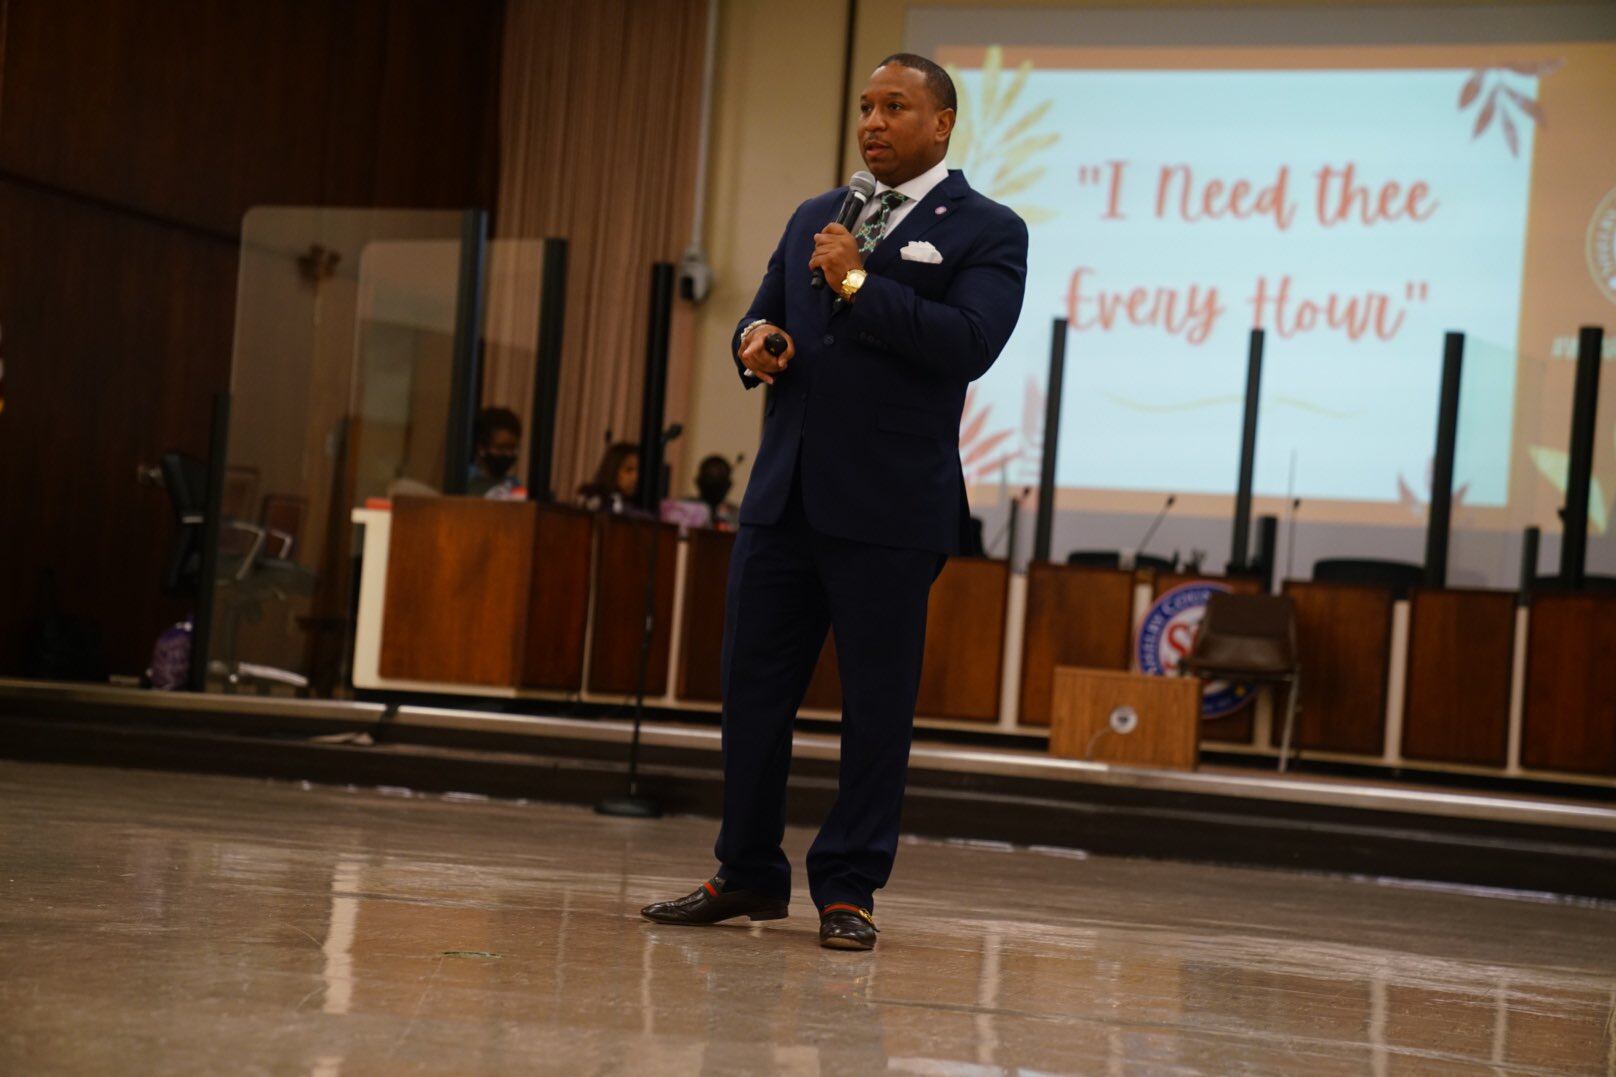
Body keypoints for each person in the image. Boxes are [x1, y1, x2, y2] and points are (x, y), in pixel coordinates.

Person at [642, 54, 1028, 950]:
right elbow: (758, 317)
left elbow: (967, 343)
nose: (873, 122)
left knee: (877, 709)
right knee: (752, 696)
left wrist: (859, 283)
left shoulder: (986, 229)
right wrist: (757, 344)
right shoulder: (818, 215)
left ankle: (848, 888)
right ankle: (746, 872)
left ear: (942, 124)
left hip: (891, 511)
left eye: (896, 107)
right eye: (865, 107)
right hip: (782, 500)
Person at [466, 407, 523, 498]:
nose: (508, 454)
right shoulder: (466, 481)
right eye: (501, 448)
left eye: (512, 448)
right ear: (482, 447)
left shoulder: (514, 485)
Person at [577, 441, 642, 515]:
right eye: (629, 470)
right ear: (612, 469)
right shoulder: (593, 497)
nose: (636, 477)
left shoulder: (645, 505)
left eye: (641, 471)